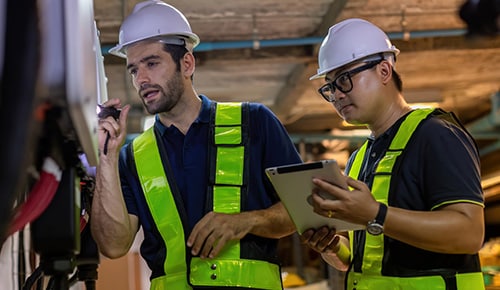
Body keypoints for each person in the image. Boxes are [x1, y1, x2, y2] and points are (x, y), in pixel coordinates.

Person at [90, 1, 302, 289]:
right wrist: (106, 158)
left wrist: (246, 221)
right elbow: (113, 246)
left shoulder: (255, 122)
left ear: (187, 63)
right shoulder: (131, 157)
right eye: (133, 70)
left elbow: (304, 210)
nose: (141, 79)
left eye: (152, 63)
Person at [301, 18, 485, 290]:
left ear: (384, 71)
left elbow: (469, 233)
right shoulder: (359, 158)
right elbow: (367, 256)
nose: (337, 94)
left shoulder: (436, 134)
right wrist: (333, 248)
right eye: (329, 87)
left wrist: (376, 214)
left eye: (344, 79)